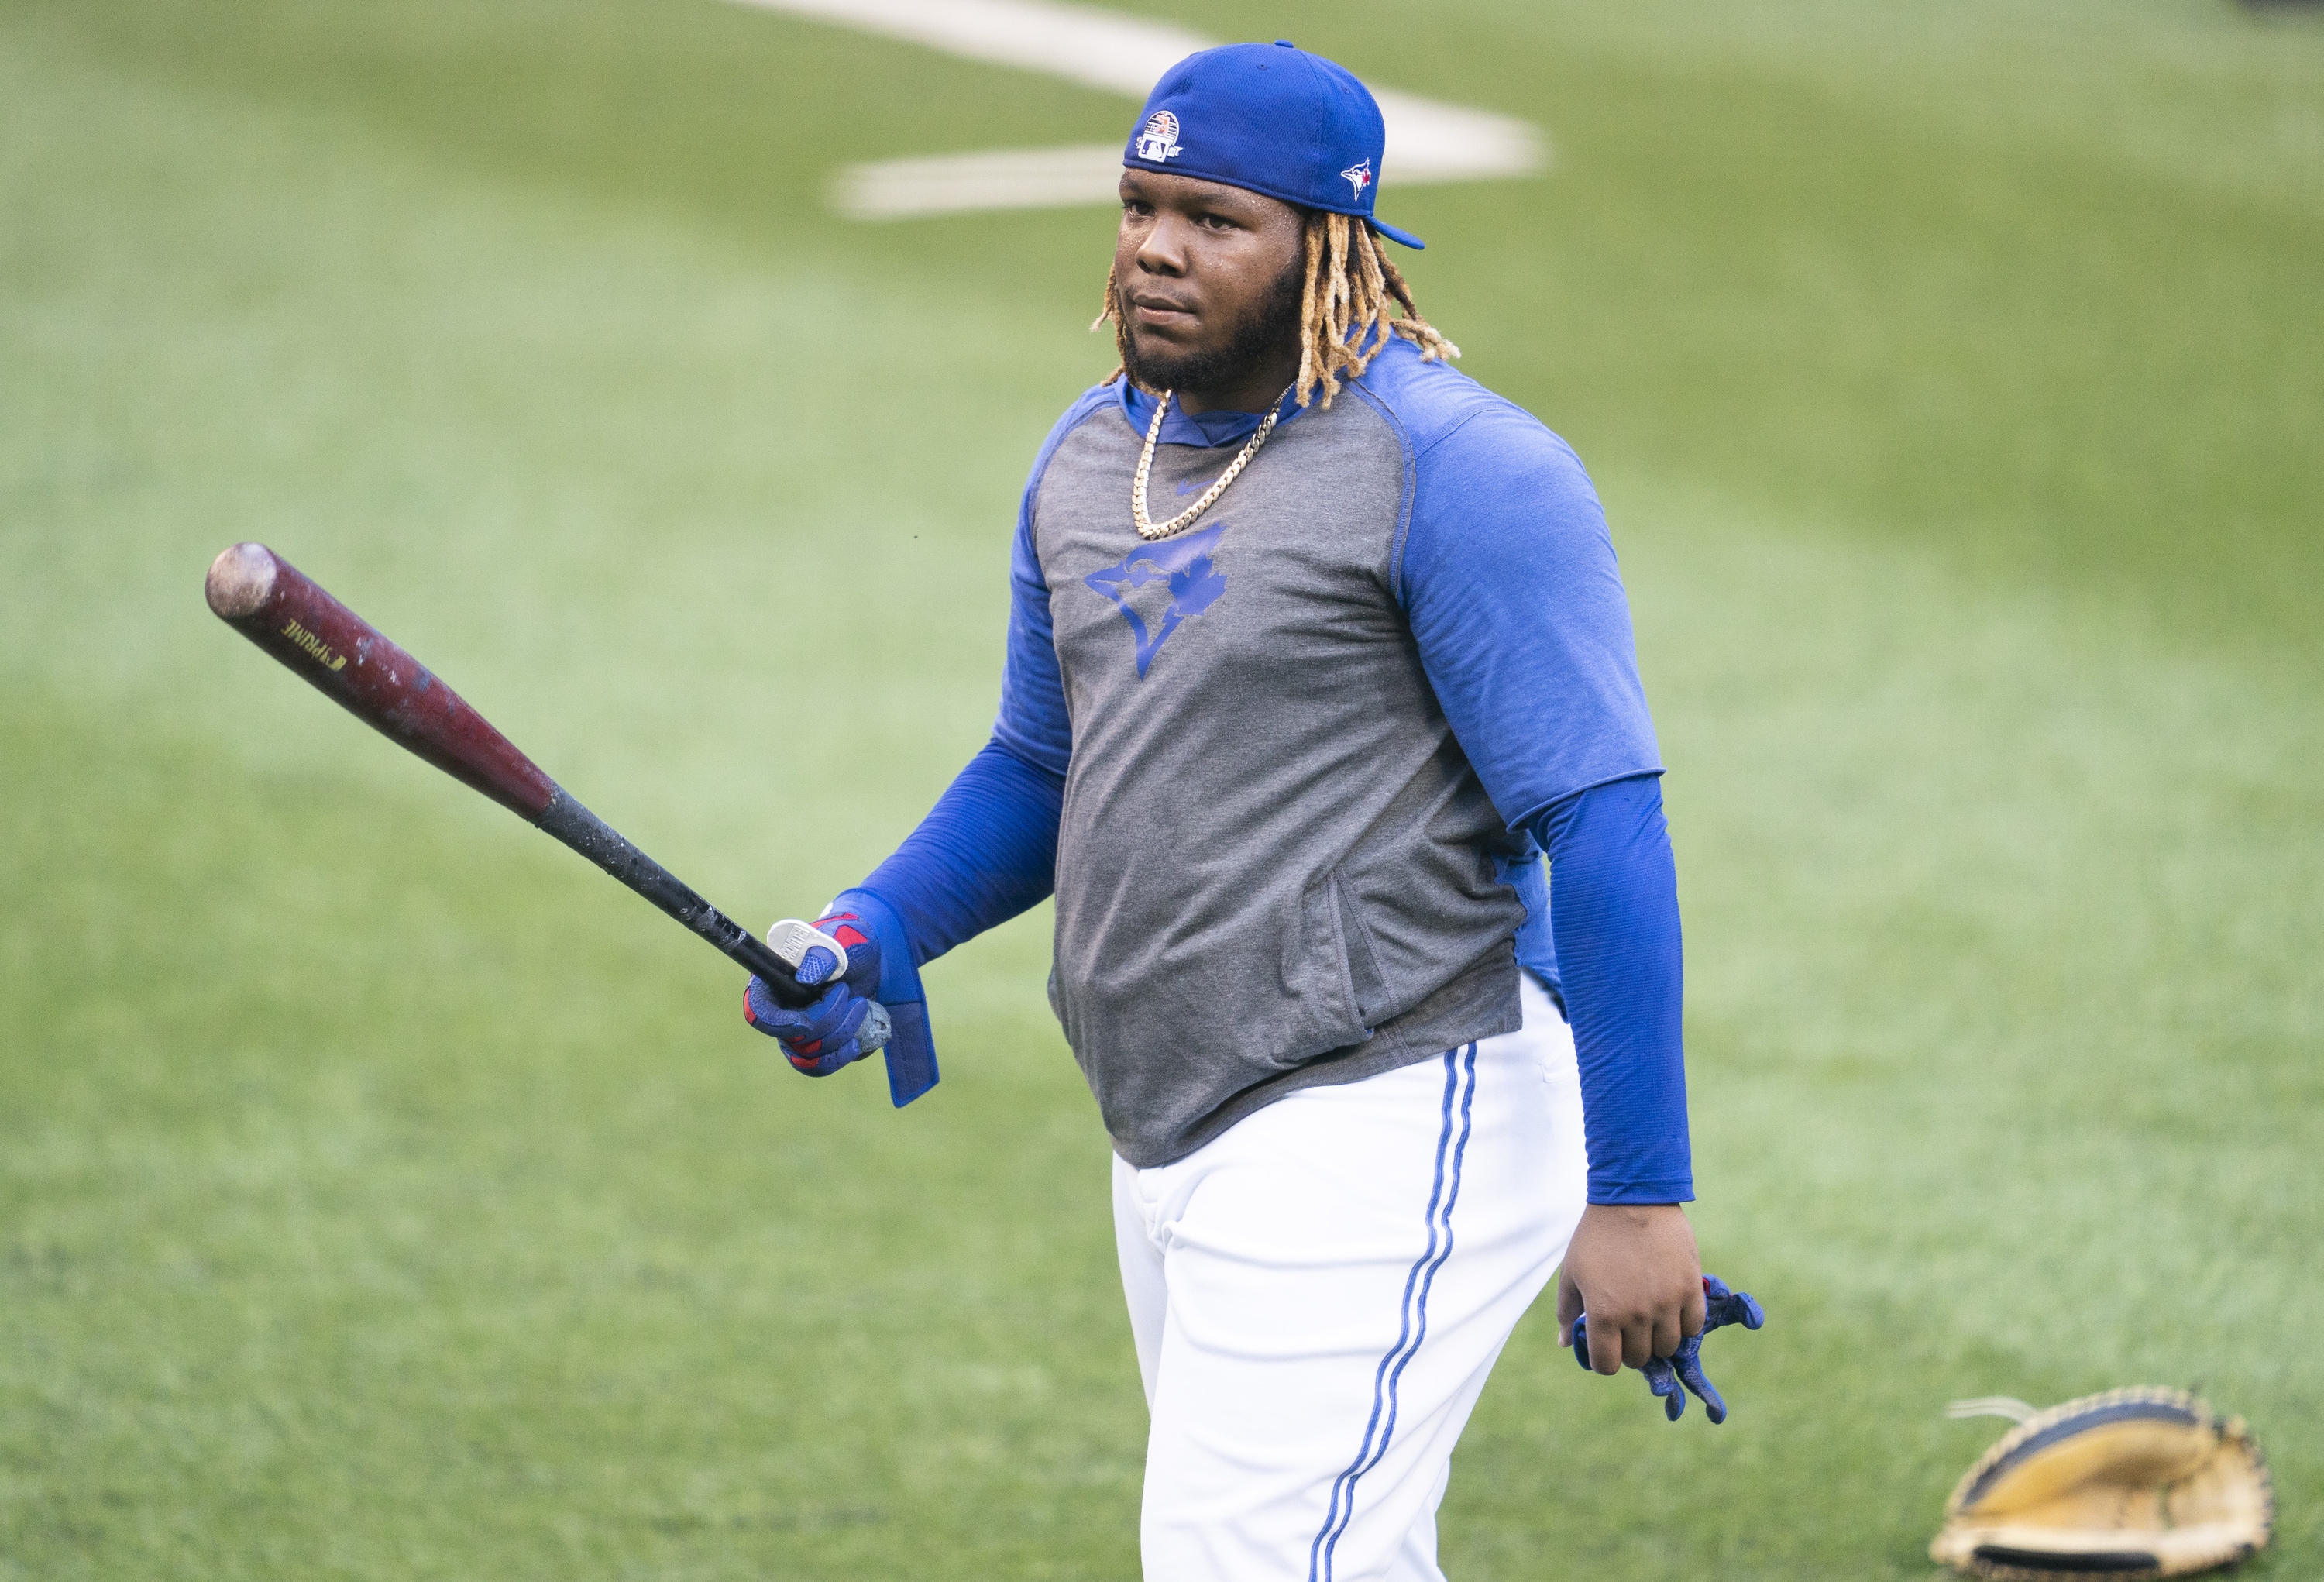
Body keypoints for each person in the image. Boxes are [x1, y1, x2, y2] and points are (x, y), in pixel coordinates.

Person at [745, 40, 1705, 1582]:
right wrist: (878, 926)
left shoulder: (1457, 470)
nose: (1155, 249)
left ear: (1327, 246)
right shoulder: (1090, 457)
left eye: (1213, 217)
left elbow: (1606, 826)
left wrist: (1642, 1191)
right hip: (1175, 1109)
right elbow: (1045, 768)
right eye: (1139, 205)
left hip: (1397, 1080)